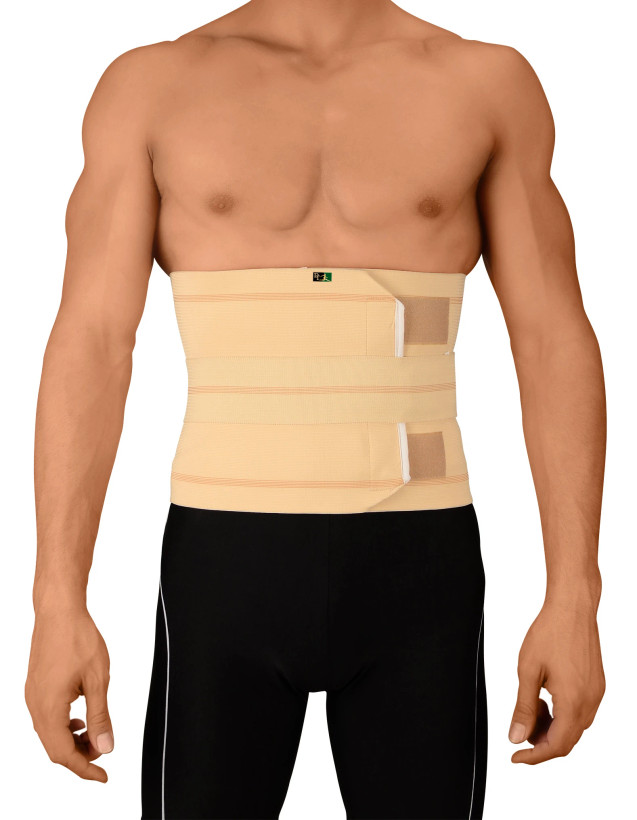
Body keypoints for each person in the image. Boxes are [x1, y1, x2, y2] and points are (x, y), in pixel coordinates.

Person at [25, 1, 606, 818]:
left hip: (418, 570)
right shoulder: (151, 85)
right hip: (222, 572)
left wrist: (575, 596)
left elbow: (550, 341)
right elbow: (92, 344)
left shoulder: (484, 83)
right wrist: (57, 603)